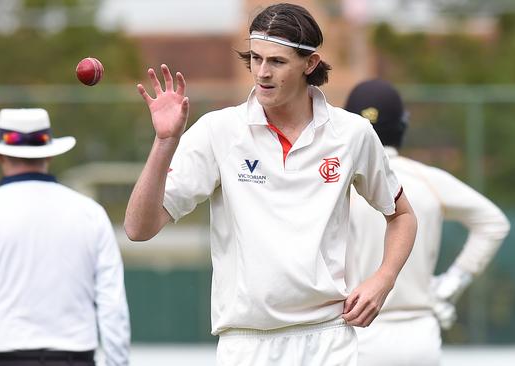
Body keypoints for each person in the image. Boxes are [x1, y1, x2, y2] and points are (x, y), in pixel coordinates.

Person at [124, 3, 417, 365]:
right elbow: (138, 228)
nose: (261, 73)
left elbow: (401, 215)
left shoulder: (352, 134)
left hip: (328, 338)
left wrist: (383, 279)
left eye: (276, 62)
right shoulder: (219, 131)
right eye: (255, 59)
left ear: (310, 64)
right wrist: (165, 142)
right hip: (245, 344)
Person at [344, 79, 511, 365]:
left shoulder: (334, 182)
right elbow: (493, 223)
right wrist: (452, 283)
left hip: (352, 332)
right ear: (403, 126)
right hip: (418, 336)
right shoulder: (427, 180)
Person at [0, 108, 130, 366]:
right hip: (75, 359)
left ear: (0, 154)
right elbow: (113, 307)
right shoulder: (90, 214)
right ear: (50, 154)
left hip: (6, 359)